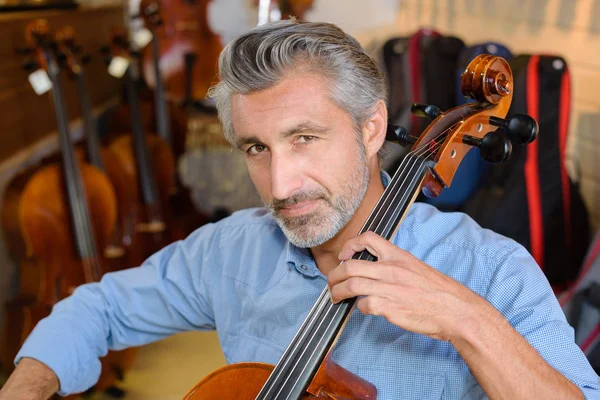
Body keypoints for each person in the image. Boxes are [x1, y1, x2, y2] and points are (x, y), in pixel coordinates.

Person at [1, 19, 599, 400]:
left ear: (370, 128)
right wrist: (29, 381)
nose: (281, 183)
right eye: (257, 148)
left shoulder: (490, 269)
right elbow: (99, 308)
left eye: (304, 138)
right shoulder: (234, 248)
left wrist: (471, 322)